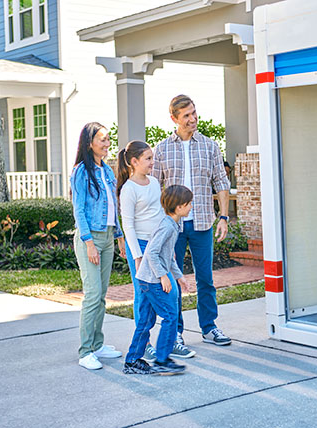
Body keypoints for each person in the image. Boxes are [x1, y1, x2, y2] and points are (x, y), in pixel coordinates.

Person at [152, 94, 232, 356]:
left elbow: (221, 182)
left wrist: (223, 216)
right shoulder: (162, 149)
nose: (193, 119)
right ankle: (174, 332)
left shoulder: (209, 146)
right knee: (173, 281)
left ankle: (209, 327)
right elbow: (154, 188)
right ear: (174, 118)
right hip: (171, 226)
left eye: (194, 113)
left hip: (202, 223)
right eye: (186, 115)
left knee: (205, 278)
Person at [117, 141, 194, 363]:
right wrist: (138, 257)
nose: (153, 162)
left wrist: (168, 248)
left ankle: (170, 341)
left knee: (170, 291)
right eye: (148, 158)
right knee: (143, 295)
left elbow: (161, 214)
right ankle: (146, 345)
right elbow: (128, 225)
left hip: (159, 244)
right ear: (134, 162)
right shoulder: (128, 189)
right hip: (141, 247)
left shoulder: (153, 182)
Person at [71, 122, 126, 370]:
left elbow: (114, 206)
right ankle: (85, 351)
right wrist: (89, 243)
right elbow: (79, 210)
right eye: (102, 139)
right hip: (90, 239)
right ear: (89, 142)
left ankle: (97, 344)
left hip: (107, 237)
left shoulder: (106, 170)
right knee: (92, 295)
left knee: (102, 295)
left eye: (107, 139)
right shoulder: (81, 172)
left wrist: (120, 236)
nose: (107, 143)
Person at [123, 185, 192, 375]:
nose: (190, 207)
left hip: (145, 278)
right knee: (170, 315)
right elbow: (152, 253)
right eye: (188, 204)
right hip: (152, 279)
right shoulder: (167, 226)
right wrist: (163, 276)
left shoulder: (172, 224)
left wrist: (179, 277)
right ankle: (162, 360)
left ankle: (132, 361)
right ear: (179, 207)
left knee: (145, 321)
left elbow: (168, 256)